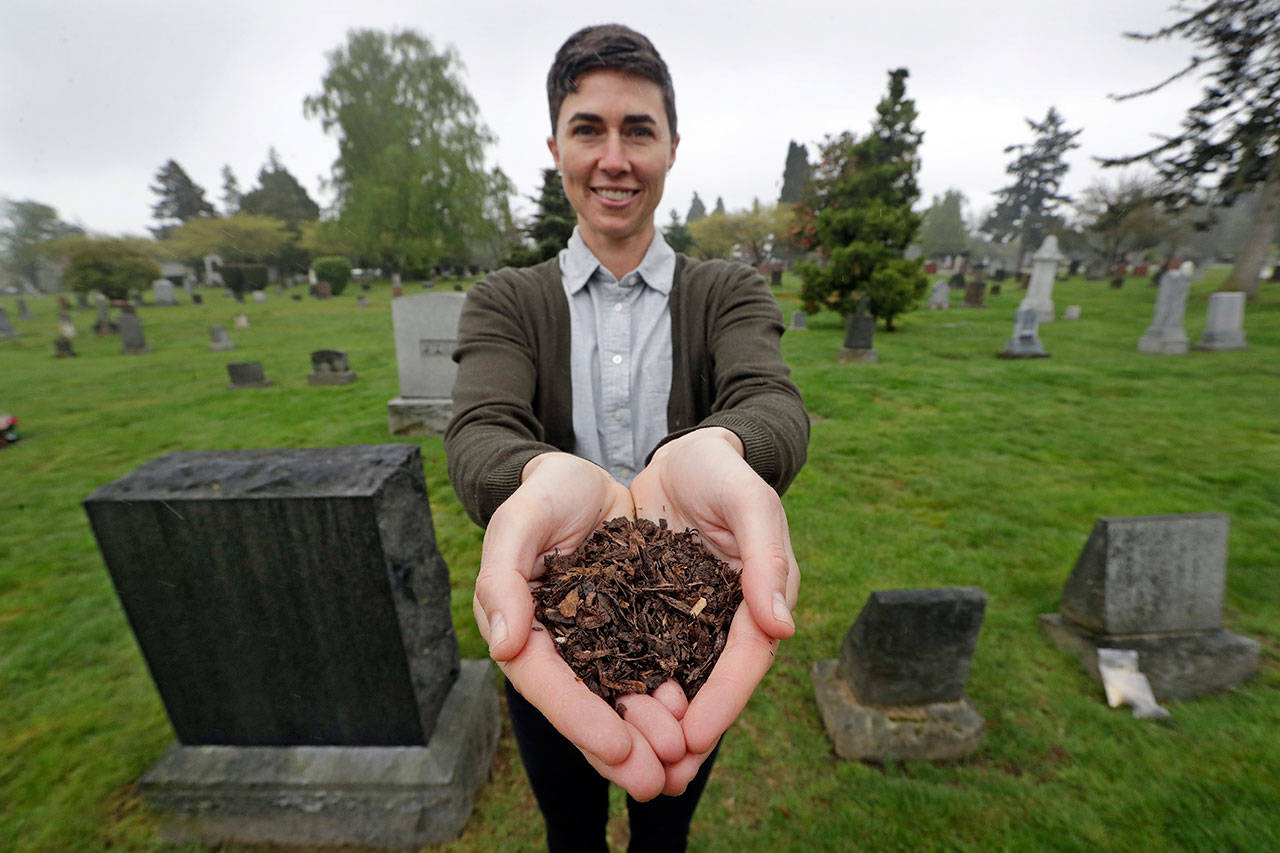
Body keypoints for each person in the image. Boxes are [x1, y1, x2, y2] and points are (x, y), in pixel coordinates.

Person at [444, 23, 808, 851]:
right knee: (569, 831)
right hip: (551, 615)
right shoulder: (506, 300)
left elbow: (769, 399)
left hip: (692, 638)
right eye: (589, 129)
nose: (615, 158)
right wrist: (537, 479)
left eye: (638, 130)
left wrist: (717, 450)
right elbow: (480, 428)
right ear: (555, 146)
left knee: (665, 826)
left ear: (672, 147)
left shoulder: (726, 290)